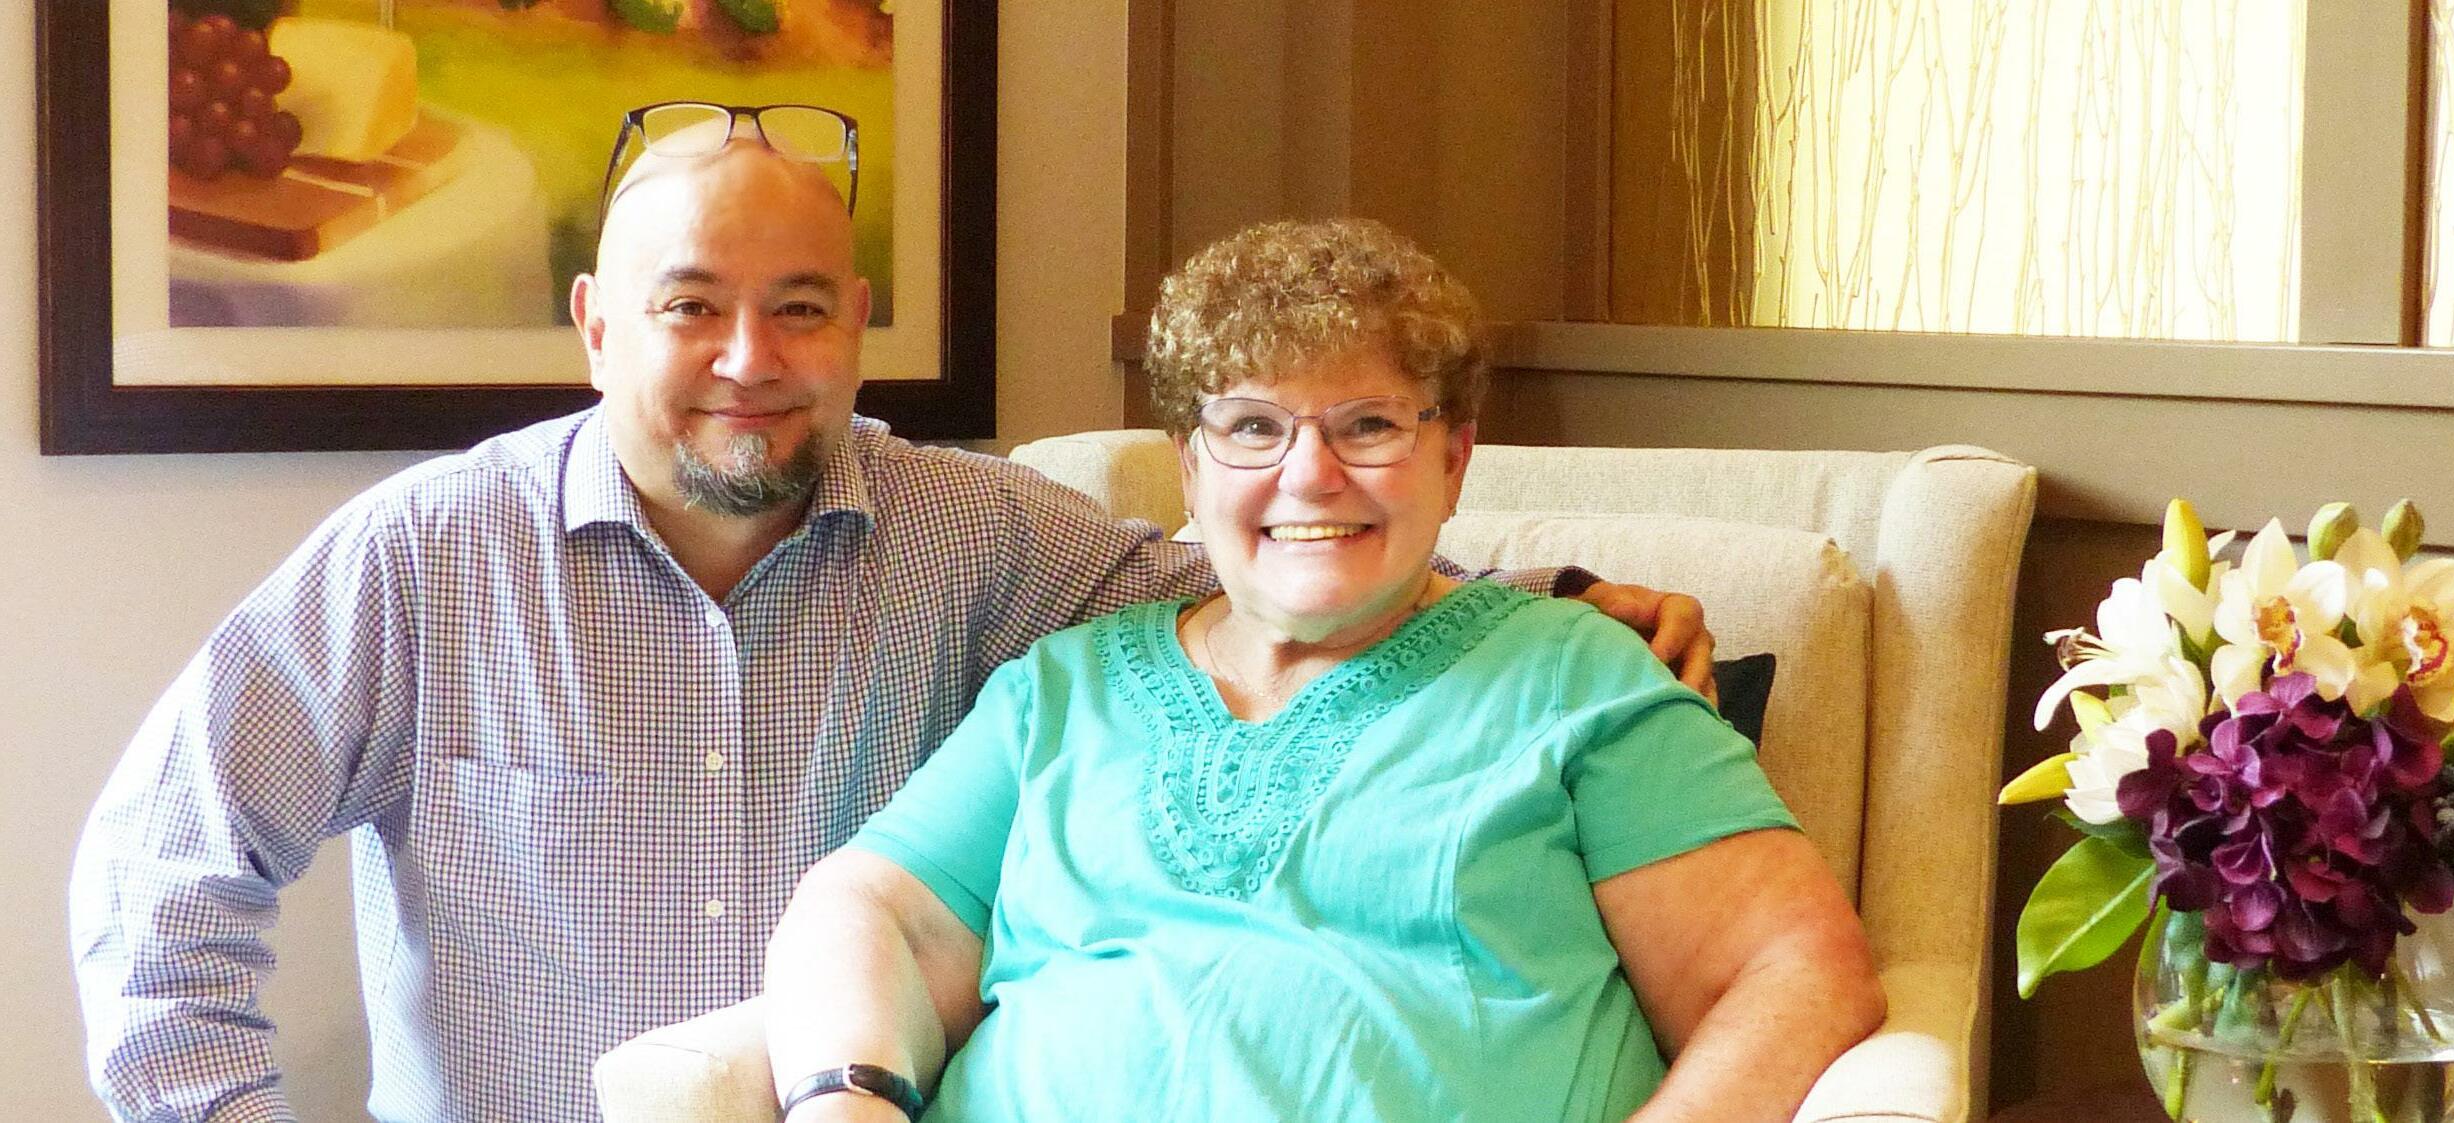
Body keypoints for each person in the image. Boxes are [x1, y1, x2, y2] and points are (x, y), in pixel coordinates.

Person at [68, 107, 1711, 1122]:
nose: (748, 357)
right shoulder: (424, 559)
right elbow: (165, 868)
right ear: (593, 326)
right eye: (689, 306)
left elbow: (1263, 574)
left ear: (856, 320)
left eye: (798, 307)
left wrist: (1550, 599)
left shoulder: (979, 532)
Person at [760, 219, 1886, 1123]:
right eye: (1253, 427)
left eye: (1368, 425)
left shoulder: (1573, 675)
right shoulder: (1057, 688)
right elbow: (875, 912)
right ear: (1189, 469)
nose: (1309, 474)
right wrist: (848, 1098)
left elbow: (1795, 970)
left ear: (1453, 457)